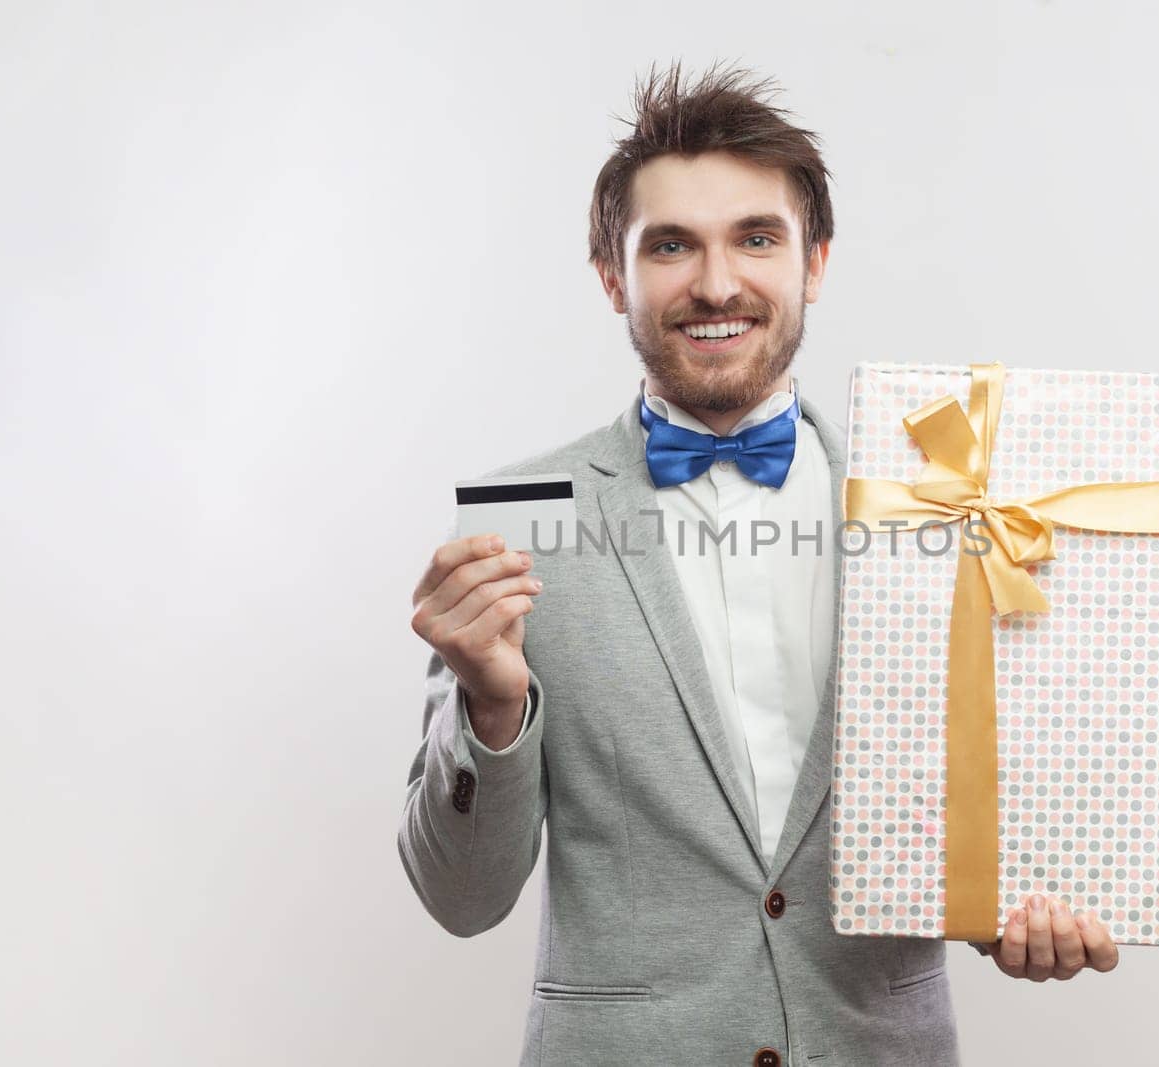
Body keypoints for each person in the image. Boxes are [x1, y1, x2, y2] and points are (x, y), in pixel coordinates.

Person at [399, 60, 1119, 1066]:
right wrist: (491, 705)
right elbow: (460, 896)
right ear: (615, 276)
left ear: (814, 261)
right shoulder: (522, 526)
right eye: (670, 246)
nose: (717, 282)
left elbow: (1004, 789)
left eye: (755, 237)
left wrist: (1021, 901)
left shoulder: (955, 509)